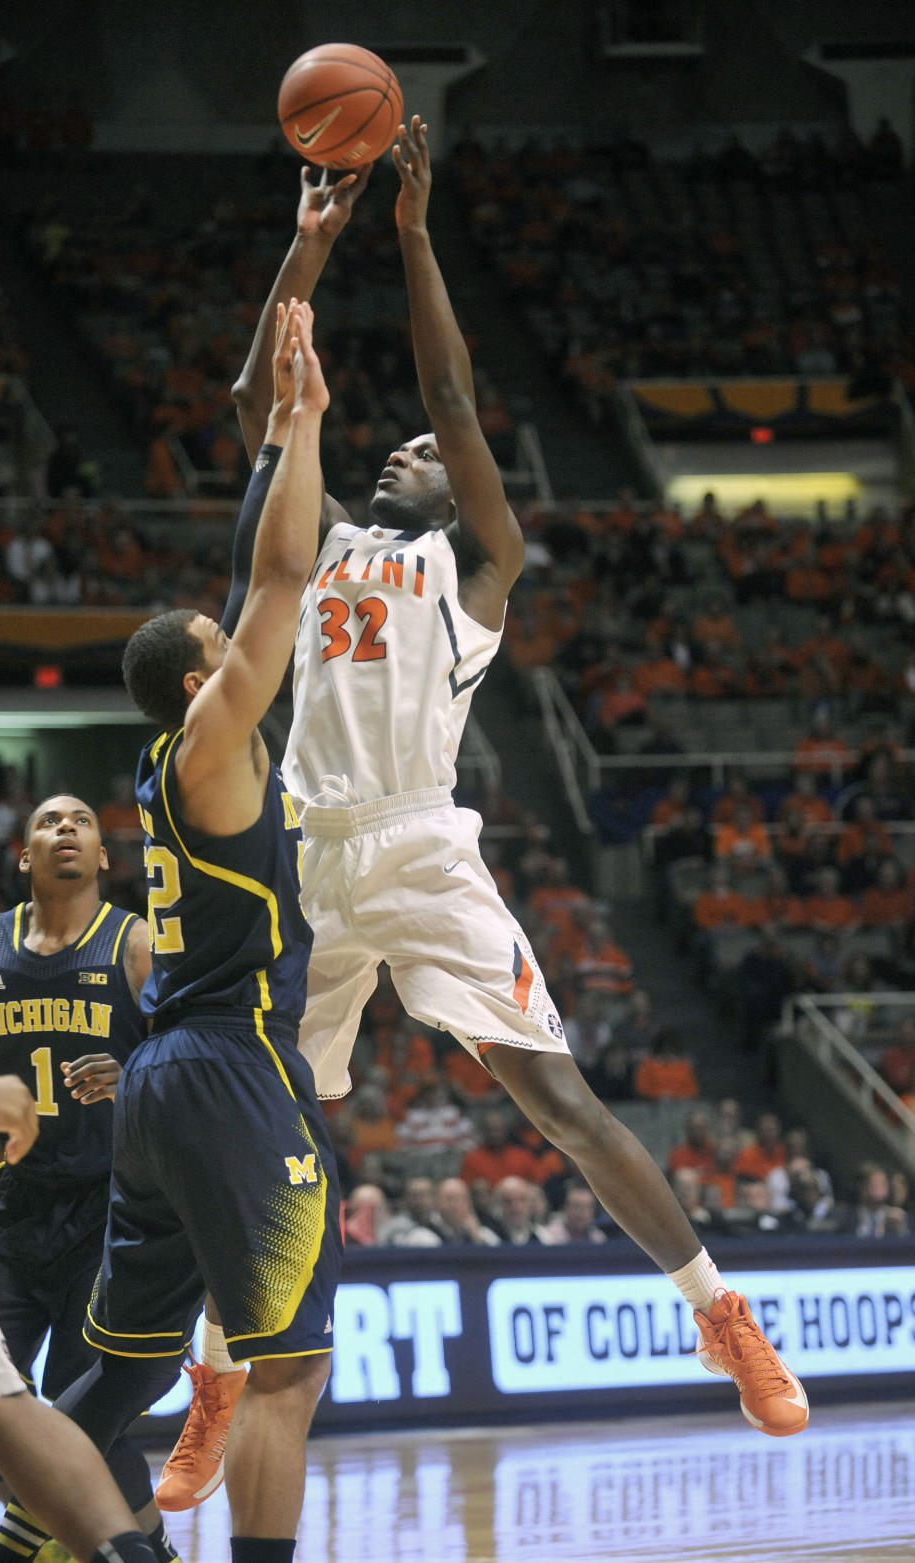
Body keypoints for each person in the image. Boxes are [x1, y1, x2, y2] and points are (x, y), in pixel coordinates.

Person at [169, 119, 807, 1486]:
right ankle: (217, 1377)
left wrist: (409, 234)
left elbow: (455, 398)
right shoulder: (324, 534)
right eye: (393, 444)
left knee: (562, 1099)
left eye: (426, 451)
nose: (410, 447)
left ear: (461, 490)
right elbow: (258, 397)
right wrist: (312, 240)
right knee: (262, 1120)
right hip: (302, 852)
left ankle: (723, 1315)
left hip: (417, 844)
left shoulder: (476, 574)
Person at [0, 301, 340, 1563]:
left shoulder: (173, 761)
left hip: (156, 1089)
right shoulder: (208, 745)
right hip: (235, 1071)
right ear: (206, 682)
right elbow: (283, 582)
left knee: (116, 1384)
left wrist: (266, 456)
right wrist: (299, 425)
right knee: (286, 1372)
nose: (242, 636)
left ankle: (16, 1555)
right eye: (223, 645)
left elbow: (252, 582)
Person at [0, 796, 177, 1563]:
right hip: (13, 1210)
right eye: (49, 822)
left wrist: (136, 1071)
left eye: (81, 821)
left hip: (110, 1211)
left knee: (87, 1412)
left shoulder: (137, 945)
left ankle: (94, 1541)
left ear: (105, 856)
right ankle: (138, 1539)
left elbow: (190, 1072)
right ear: (24, 856)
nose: (66, 830)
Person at [0, 1057, 159, 1563]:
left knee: (74, 1410)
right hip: (17, 1206)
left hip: (114, 1203)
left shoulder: (140, 977)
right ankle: (81, 1542)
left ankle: (135, 1549)